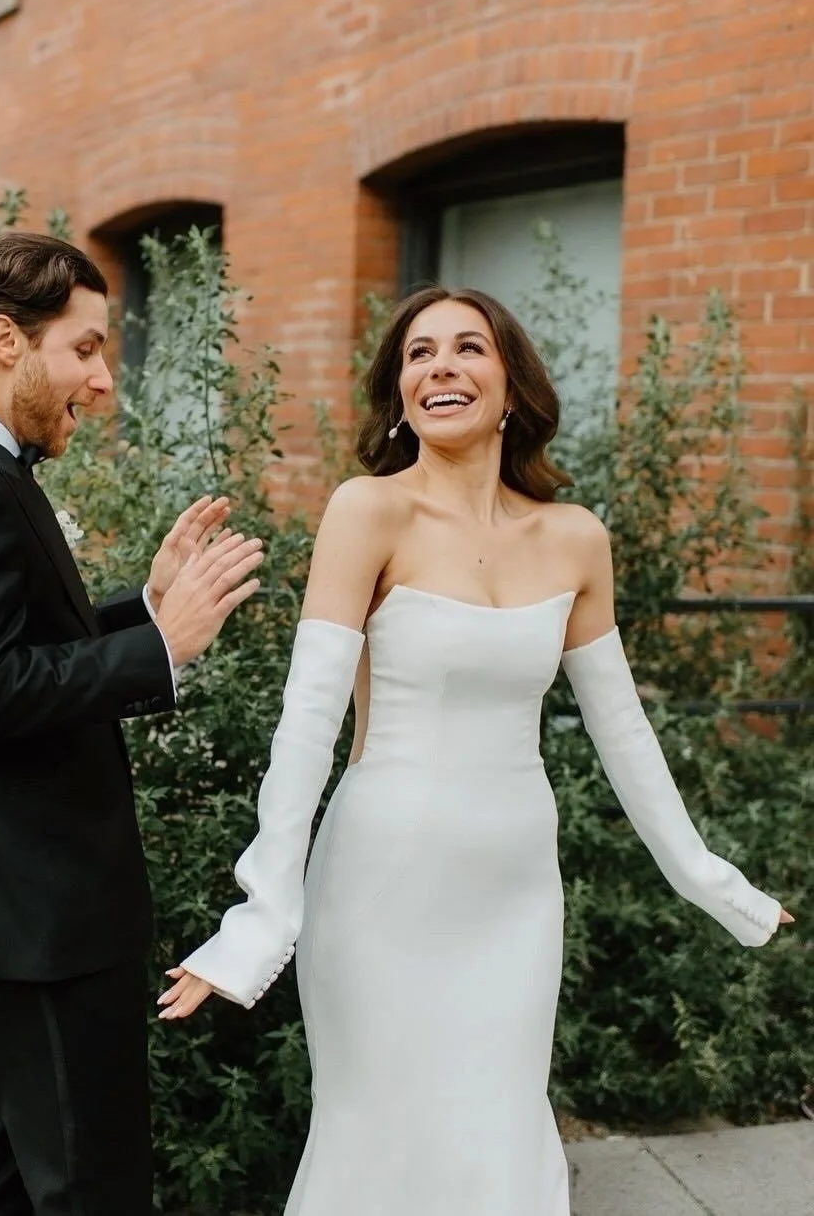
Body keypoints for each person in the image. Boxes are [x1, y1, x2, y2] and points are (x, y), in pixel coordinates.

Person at [156, 285, 794, 1216]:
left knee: (500, 1131)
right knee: (378, 1134)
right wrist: (261, 914)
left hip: (516, 888)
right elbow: (308, 720)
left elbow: (622, 730)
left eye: (468, 349)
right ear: (400, 392)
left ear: (511, 386)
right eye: (419, 354)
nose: (441, 367)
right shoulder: (366, 511)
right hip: (382, 879)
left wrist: (710, 879)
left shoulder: (575, 538)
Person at [0, 232, 264, 1216]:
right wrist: (160, 648)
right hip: (32, 911)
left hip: (26, 909)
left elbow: (14, 649)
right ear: (7, 338)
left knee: (3, 1183)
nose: (101, 383)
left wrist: (144, 603)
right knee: (91, 1189)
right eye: (85, 350)